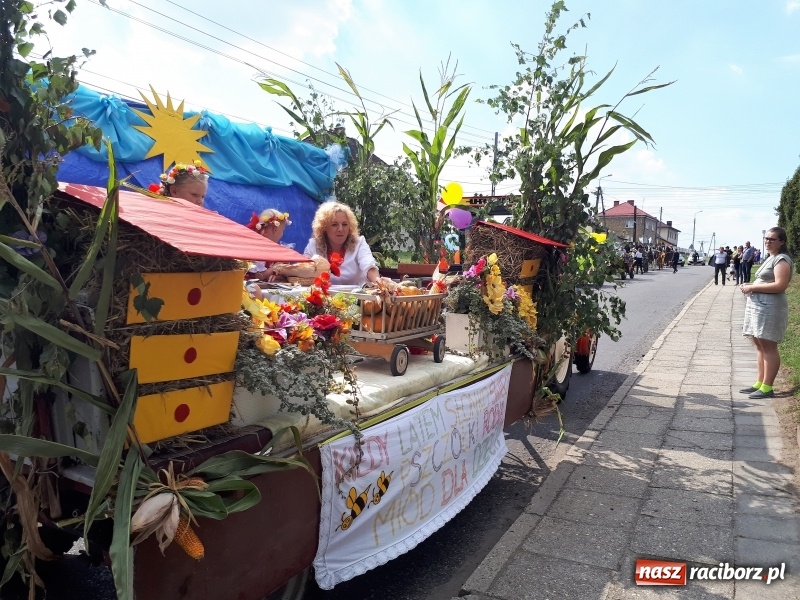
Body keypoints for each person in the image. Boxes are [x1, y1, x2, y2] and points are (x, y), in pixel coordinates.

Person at [739, 227, 793, 399]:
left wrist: (752, 287)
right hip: (760, 306)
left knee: (768, 346)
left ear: (782, 242)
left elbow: (780, 285)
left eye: (772, 239)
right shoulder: (771, 258)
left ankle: (768, 387)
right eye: (766, 239)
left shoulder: (782, 260)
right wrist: (749, 285)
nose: (768, 241)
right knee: (759, 344)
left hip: (770, 308)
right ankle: (760, 382)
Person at [304, 201, 379, 285]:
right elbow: (303, 269)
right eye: (334, 224)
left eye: (345, 224)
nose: (340, 229)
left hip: (356, 297)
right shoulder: (313, 245)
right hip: (324, 296)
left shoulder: (359, 243)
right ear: (324, 227)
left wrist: (380, 283)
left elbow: (369, 266)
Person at [246, 209, 292, 281]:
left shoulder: (274, 249)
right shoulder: (257, 248)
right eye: (282, 230)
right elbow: (259, 276)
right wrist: (277, 266)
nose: (282, 234)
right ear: (275, 229)